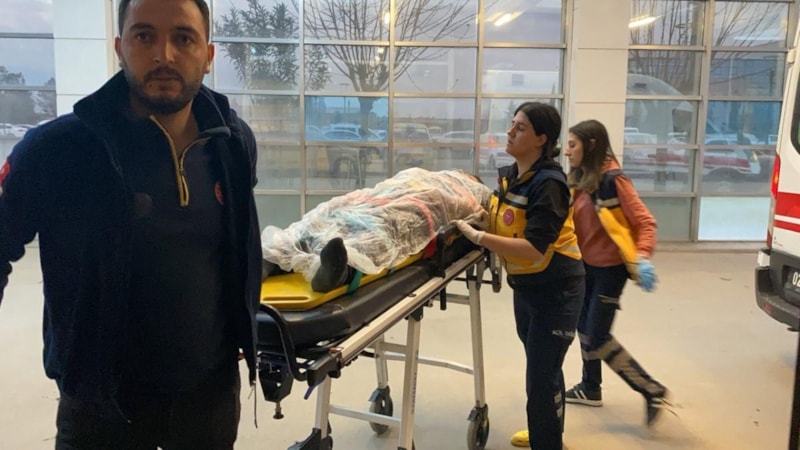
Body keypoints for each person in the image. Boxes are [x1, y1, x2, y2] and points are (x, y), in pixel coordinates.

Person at [0, 1, 262, 448]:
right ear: (120, 48)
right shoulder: (57, 150)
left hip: (209, 404)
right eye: (144, 36)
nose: (163, 54)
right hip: (100, 414)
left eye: (183, 38)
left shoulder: (233, 144)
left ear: (208, 55)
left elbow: (232, 253)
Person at [452, 102, 585, 450]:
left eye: (521, 127)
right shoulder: (514, 176)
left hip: (557, 292)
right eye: (512, 124)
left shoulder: (549, 185)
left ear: (542, 139)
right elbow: (509, 220)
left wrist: (480, 238)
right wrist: (486, 221)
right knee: (545, 370)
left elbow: (533, 249)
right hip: (527, 289)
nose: (510, 132)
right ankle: (549, 432)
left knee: (540, 378)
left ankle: (546, 440)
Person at [563, 119, 671, 428]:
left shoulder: (613, 180)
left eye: (573, 145)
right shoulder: (578, 180)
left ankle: (652, 390)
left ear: (590, 145)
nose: (567, 152)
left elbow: (645, 222)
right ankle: (590, 387)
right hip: (585, 267)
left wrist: (643, 257)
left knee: (598, 335)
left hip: (610, 270)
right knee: (583, 326)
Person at [261, 167, 492, 292]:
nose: (462, 173)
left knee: (385, 231)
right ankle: (272, 258)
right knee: (332, 211)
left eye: (467, 176)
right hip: (375, 199)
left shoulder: (467, 192)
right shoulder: (431, 175)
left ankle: (339, 272)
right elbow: (400, 180)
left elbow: (471, 210)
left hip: (414, 210)